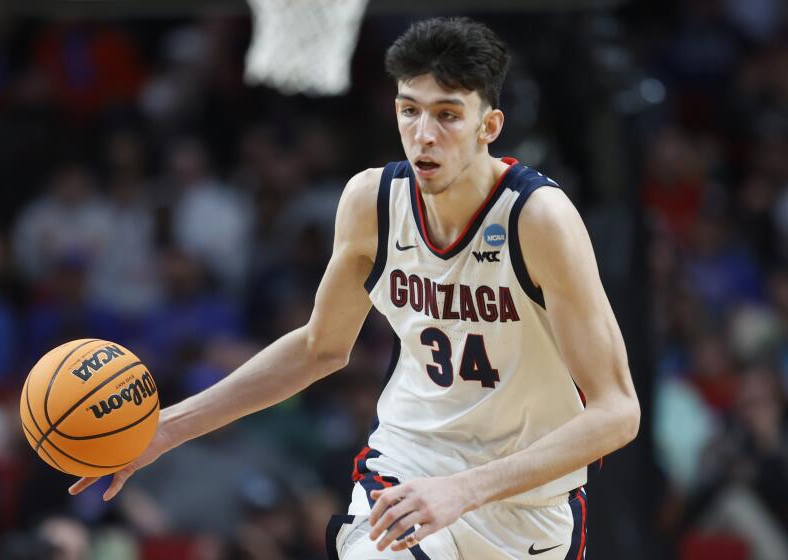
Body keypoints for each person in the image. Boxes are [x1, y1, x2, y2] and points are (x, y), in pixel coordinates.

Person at [69, 17, 640, 560]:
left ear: (488, 126)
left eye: (447, 115)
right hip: (408, 472)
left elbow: (617, 412)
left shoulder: (538, 219)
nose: (424, 135)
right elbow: (319, 347)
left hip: (523, 502)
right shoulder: (373, 203)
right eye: (410, 111)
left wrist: (466, 488)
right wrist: (167, 428)